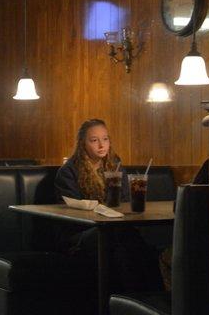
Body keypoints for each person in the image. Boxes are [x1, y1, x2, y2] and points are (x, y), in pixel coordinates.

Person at [54, 119, 162, 293]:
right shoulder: (69, 171)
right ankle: (130, 302)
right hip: (80, 233)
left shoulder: (114, 165)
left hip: (114, 230)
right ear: (83, 143)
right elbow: (71, 211)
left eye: (105, 139)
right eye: (94, 140)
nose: (101, 145)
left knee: (135, 251)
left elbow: (125, 200)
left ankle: (149, 302)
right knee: (125, 248)